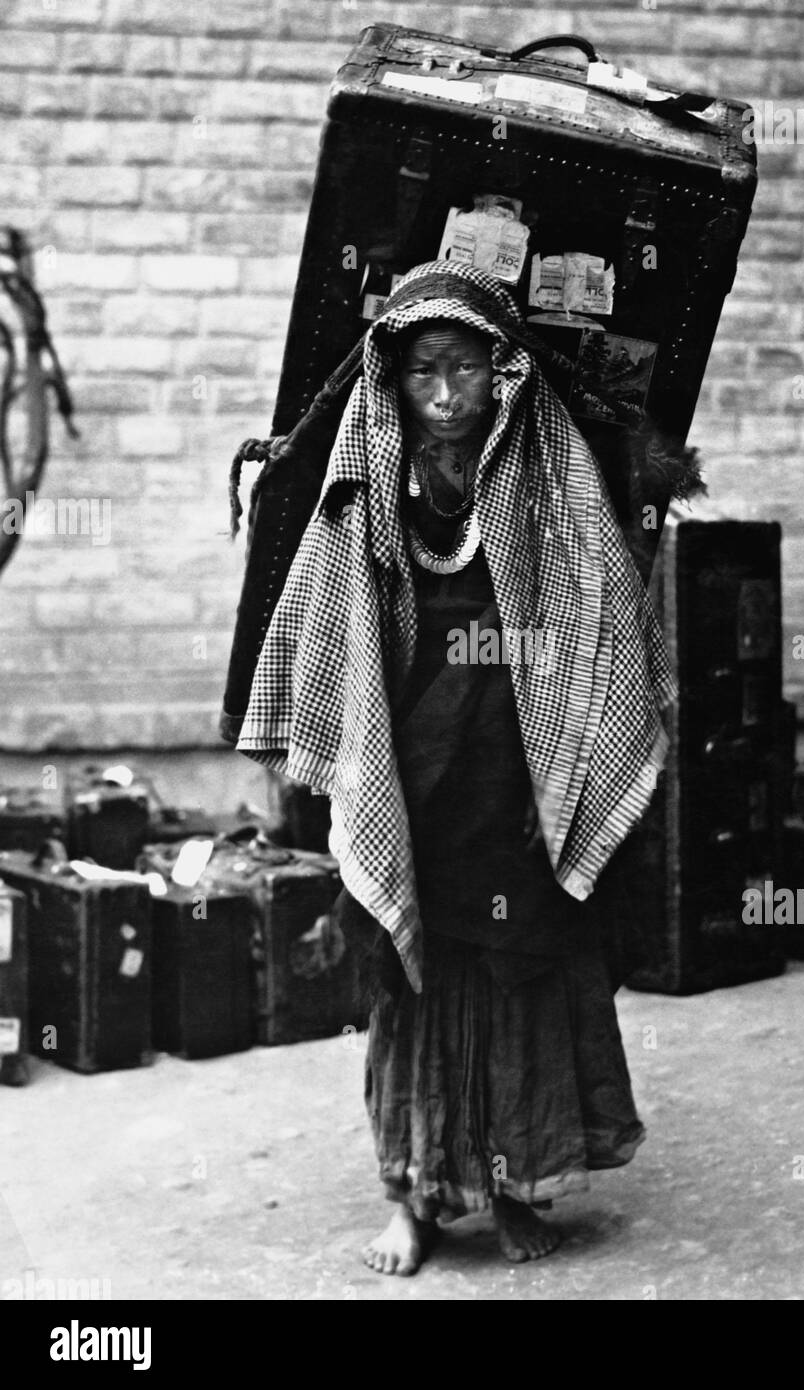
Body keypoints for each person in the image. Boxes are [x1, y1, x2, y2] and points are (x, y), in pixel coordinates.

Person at [235, 259, 677, 1274]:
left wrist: (563, 768)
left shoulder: (545, 473)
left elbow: (598, 612)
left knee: (522, 968)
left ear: (502, 375)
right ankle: (414, 1199)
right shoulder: (370, 482)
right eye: (422, 370)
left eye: (463, 370)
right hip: (410, 763)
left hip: (514, 763)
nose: (442, 393)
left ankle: (512, 1183)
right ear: (391, 382)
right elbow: (325, 615)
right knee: (412, 977)